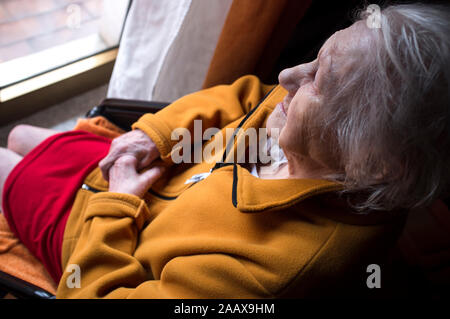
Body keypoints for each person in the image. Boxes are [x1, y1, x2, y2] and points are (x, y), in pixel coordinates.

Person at [1, 3, 449, 298]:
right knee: (19, 134)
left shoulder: (270, 275)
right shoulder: (317, 131)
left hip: (107, 234)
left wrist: (116, 203)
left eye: (320, 81)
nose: (290, 74)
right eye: (317, 56)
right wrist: (154, 136)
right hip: (156, 175)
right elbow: (245, 95)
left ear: (370, 159)